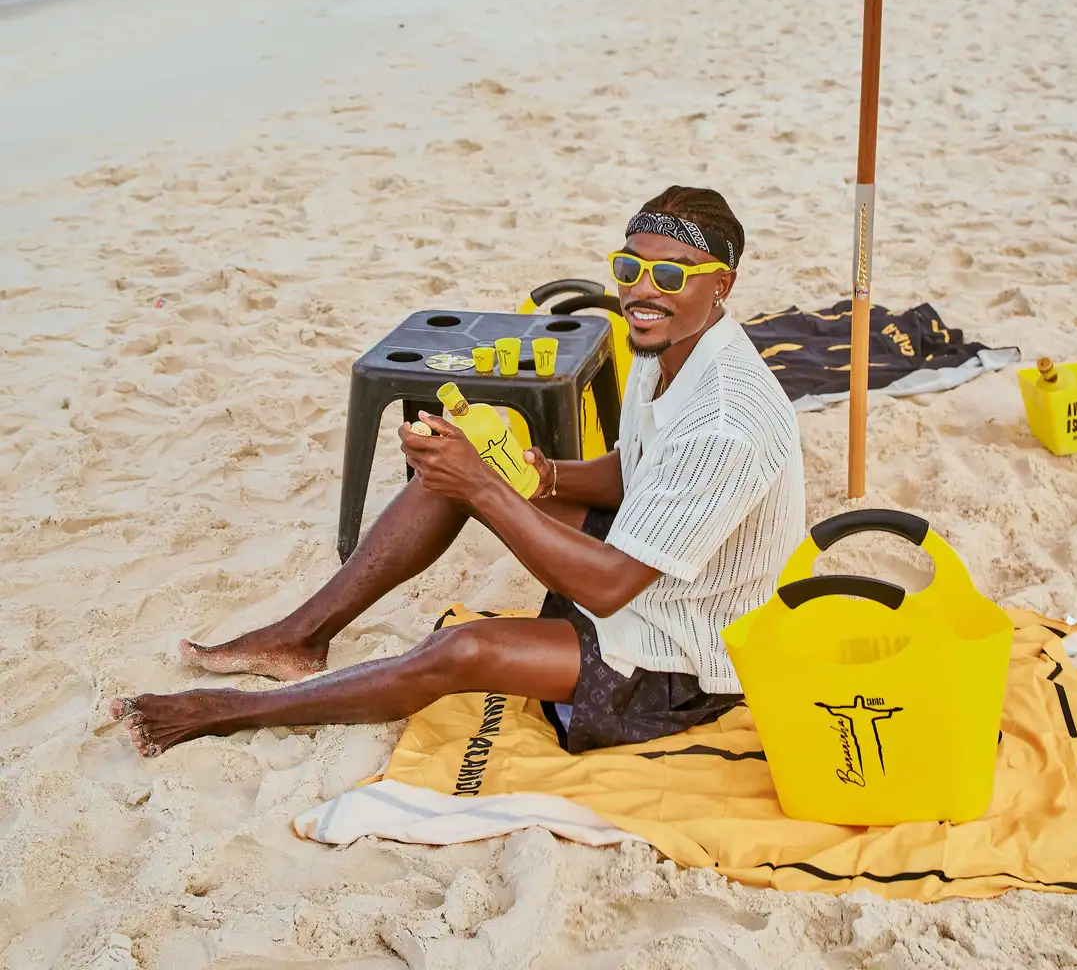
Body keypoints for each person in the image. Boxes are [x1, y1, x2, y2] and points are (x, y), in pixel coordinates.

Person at [112, 186, 806, 758]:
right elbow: (640, 471)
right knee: (443, 481)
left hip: (686, 657)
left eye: (670, 274)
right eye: (630, 268)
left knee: (463, 648)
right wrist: (545, 478)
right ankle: (299, 638)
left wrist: (485, 484)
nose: (642, 290)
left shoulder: (725, 419)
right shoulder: (666, 347)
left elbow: (612, 586)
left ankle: (227, 710)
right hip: (650, 579)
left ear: (722, 286)